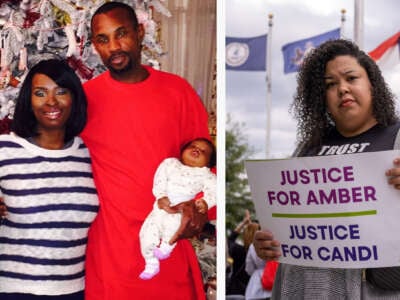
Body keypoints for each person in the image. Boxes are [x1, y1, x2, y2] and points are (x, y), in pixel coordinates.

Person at [80, 2, 212, 299]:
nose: (114, 46)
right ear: (95, 46)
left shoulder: (178, 92)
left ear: (140, 32)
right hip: (109, 258)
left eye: (121, 33)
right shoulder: (85, 99)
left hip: (168, 248)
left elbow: (207, 166)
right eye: (103, 39)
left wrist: (200, 209)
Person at [253, 39, 400, 299]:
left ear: (372, 84)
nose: (342, 89)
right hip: (302, 289)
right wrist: (266, 243)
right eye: (330, 85)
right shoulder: (306, 150)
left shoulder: (396, 137)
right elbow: (285, 225)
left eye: (351, 78)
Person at [0, 59, 99, 299]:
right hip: (13, 290)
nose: (51, 101)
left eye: (61, 92)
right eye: (40, 93)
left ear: (74, 98)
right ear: (28, 100)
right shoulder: (5, 149)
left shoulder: (89, 153)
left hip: (73, 291)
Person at [139, 137, 216, 280]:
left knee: (174, 227)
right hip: (162, 206)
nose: (197, 150)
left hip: (182, 208)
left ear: (209, 163)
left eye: (203, 151)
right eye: (193, 146)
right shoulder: (170, 164)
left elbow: (215, 191)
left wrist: (206, 202)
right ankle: (150, 262)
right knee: (146, 233)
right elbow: (160, 179)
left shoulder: (206, 175)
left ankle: (167, 246)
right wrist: (160, 195)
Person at [226, 210, 252, 296]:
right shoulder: (262, 255)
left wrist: (244, 223)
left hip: (234, 291)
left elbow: (229, 240)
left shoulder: (238, 250)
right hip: (251, 292)